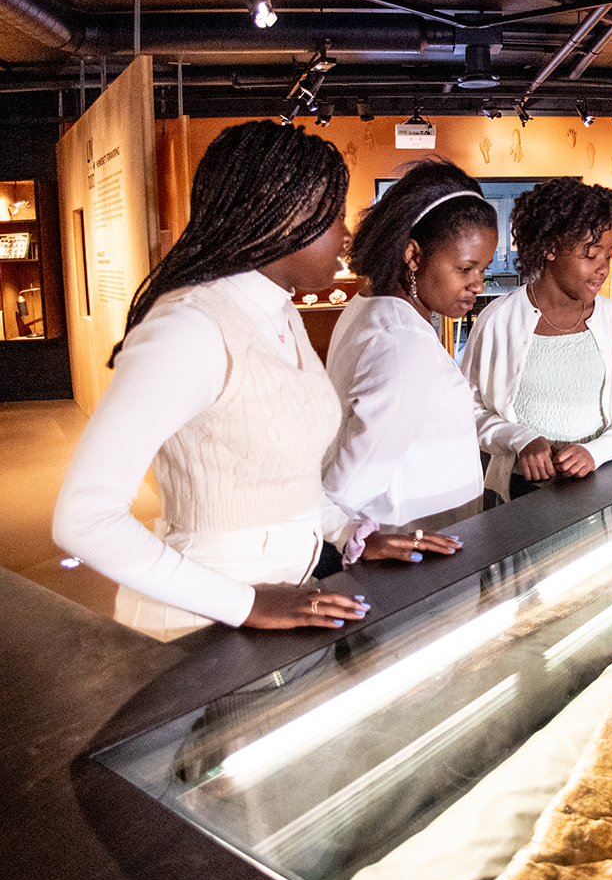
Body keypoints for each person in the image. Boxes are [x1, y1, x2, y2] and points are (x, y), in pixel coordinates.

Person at [53, 120, 453, 643]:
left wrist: (350, 533)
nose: (346, 235)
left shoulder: (279, 313)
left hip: (282, 603)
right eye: (332, 216)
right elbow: (83, 519)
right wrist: (245, 604)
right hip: (196, 626)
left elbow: (286, 477)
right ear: (281, 216)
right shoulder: (189, 328)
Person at [323, 162, 498, 536]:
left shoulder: (369, 306)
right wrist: (342, 535)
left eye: (482, 269)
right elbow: (347, 487)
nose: (478, 285)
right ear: (413, 255)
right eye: (465, 268)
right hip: (418, 543)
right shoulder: (404, 342)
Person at [461, 176, 612, 501]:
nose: (602, 269)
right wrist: (519, 438)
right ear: (551, 248)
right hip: (518, 492)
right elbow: (468, 408)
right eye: (590, 254)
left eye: (608, 256)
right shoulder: (498, 321)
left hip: (602, 485)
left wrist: (596, 451)